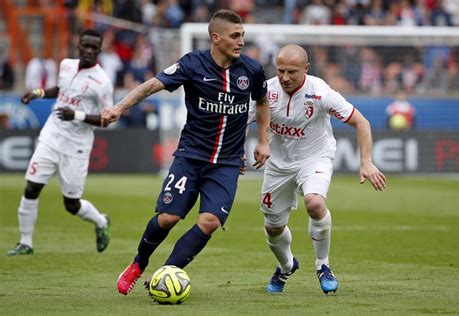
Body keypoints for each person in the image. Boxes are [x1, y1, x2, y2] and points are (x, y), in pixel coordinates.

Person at [100, 9, 270, 296]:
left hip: (227, 162)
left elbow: (263, 102)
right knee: (168, 218)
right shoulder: (193, 64)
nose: (241, 41)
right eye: (235, 36)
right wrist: (119, 107)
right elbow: (151, 86)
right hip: (191, 156)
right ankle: (138, 264)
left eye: (243, 35)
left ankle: (166, 272)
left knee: (210, 221)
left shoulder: (251, 70)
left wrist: (263, 141)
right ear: (216, 38)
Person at [248, 44, 386, 294]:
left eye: (292, 71)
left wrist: (366, 161)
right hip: (277, 165)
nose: (285, 77)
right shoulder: (266, 91)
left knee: (314, 203)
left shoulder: (320, 92)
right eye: (280, 71)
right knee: (273, 227)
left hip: (315, 158)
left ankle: (323, 266)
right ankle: (286, 266)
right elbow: (236, 122)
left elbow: (361, 122)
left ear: (306, 69)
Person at [7, 29, 113, 256]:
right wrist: (37, 93)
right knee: (31, 187)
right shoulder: (66, 65)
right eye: (86, 45)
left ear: (100, 51)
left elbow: (108, 118)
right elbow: (62, 89)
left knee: (71, 204)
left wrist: (77, 115)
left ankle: (101, 221)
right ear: (78, 45)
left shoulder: (102, 82)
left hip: (76, 146)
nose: (89, 51)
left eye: (94, 48)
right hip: (50, 136)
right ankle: (25, 243)